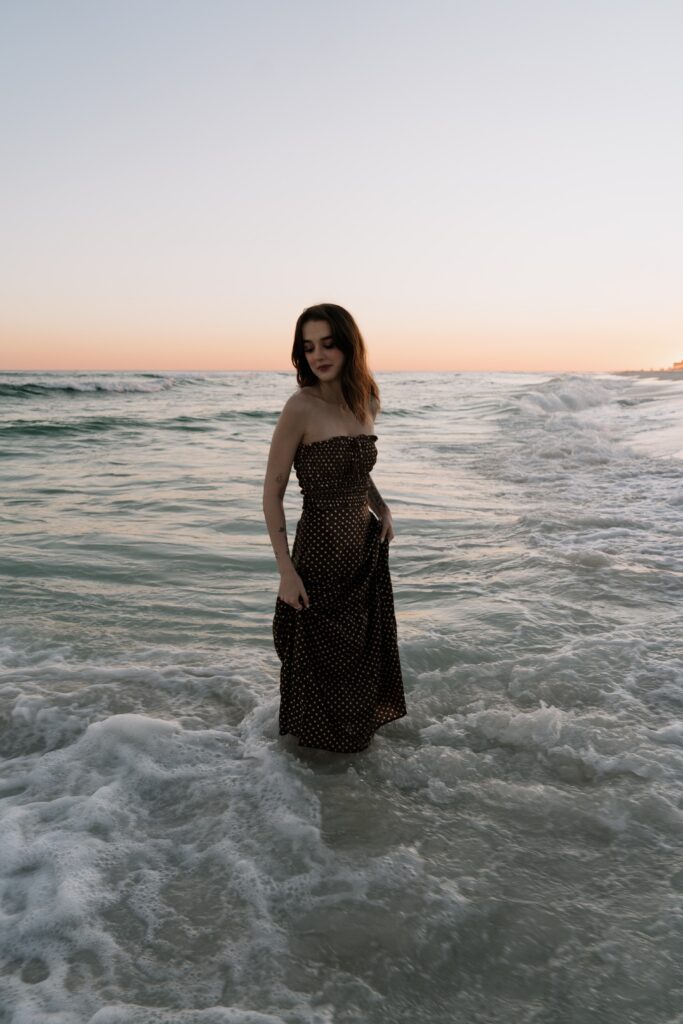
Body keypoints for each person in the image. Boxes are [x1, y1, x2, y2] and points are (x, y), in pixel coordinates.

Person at [263, 303, 407, 753]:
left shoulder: (365, 401)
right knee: (319, 659)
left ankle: (350, 775)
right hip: (319, 552)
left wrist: (382, 509)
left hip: (361, 551)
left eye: (328, 343)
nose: (318, 355)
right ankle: (308, 769)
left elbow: (357, 472)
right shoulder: (299, 408)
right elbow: (272, 492)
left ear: (348, 345)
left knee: (359, 656)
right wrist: (286, 571)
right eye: (308, 347)